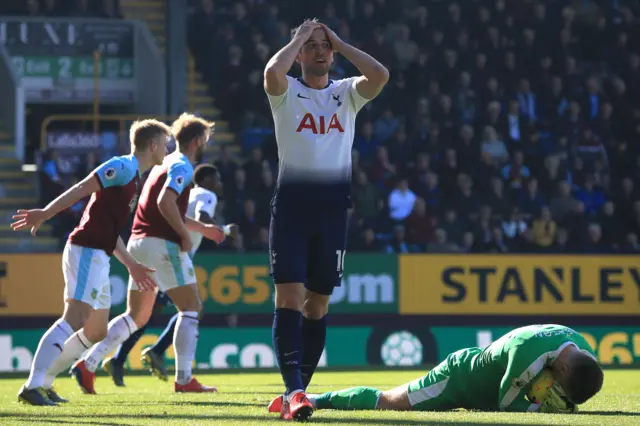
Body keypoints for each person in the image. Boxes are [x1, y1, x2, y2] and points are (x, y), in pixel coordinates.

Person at [263, 19, 389, 421]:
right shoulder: (286, 93)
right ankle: (295, 392)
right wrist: (299, 36)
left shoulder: (345, 93)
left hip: (333, 211)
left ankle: (295, 393)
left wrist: (340, 42)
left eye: (324, 46)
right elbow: (270, 73)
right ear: (299, 53)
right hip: (293, 211)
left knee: (317, 305)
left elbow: (380, 75)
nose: (320, 52)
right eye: (311, 46)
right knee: (289, 297)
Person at [13, 119, 172, 405]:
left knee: (97, 330)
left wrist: (131, 264)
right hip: (86, 250)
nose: (167, 148)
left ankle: (45, 384)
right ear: (153, 145)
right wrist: (46, 213)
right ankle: (32, 386)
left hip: (99, 253)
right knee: (73, 318)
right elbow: (82, 187)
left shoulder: (135, 177)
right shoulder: (122, 166)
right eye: (165, 142)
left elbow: (111, 231)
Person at [71, 113, 226, 394]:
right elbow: (165, 202)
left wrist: (202, 228)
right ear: (197, 141)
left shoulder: (161, 165)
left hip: (139, 241)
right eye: (205, 140)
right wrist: (183, 236)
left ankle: (87, 363)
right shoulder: (182, 166)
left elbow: (165, 207)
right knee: (192, 308)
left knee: (136, 316)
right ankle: (184, 379)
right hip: (161, 243)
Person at [100, 164, 237, 386]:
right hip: (172, 258)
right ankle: (157, 354)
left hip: (159, 252)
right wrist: (224, 231)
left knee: (147, 312)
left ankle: (117, 358)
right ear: (206, 180)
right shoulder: (207, 195)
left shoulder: (185, 192)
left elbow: (185, 217)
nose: (220, 184)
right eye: (217, 178)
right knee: (189, 309)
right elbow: (203, 216)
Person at [307, 325, 603, 414]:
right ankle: (317, 399)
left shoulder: (579, 346)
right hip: (459, 380)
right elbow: (504, 403)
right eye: (560, 385)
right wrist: (541, 411)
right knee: (387, 402)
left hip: (487, 380)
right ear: (562, 368)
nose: (558, 389)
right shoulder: (529, 355)